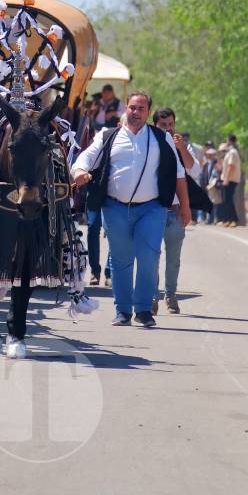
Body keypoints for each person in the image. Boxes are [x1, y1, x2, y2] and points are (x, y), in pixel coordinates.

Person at [72, 92, 189, 328]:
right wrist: (79, 172)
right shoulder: (108, 136)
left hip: (152, 208)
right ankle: (123, 310)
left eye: (141, 109)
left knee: (148, 257)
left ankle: (144, 310)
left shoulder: (160, 138)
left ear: (148, 113)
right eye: (132, 108)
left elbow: (179, 173)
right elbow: (85, 157)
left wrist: (185, 207)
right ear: (126, 108)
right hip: (115, 208)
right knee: (121, 260)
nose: (136, 113)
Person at [153, 107, 200, 314]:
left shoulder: (182, 146)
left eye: (171, 124)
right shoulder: (149, 144)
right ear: (155, 125)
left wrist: (181, 148)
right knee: (151, 257)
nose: (168, 129)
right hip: (152, 210)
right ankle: (151, 296)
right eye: (163, 125)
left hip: (174, 211)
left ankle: (170, 296)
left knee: (173, 259)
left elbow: (194, 169)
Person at [216, 134, 242, 227]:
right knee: (226, 200)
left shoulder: (232, 152)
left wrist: (226, 178)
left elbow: (231, 166)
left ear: (229, 140)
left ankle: (233, 219)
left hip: (230, 179)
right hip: (229, 179)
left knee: (228, 199)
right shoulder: (231, 152)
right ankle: (228, 219)